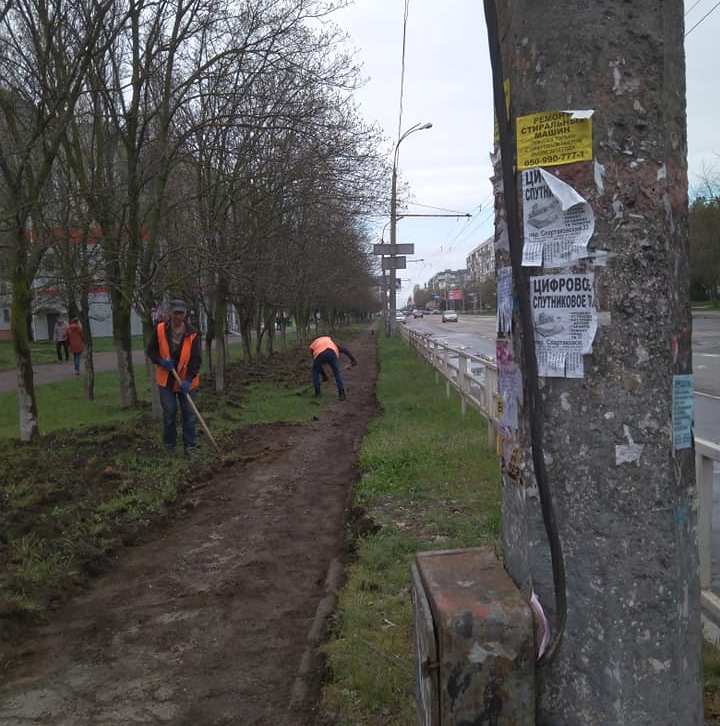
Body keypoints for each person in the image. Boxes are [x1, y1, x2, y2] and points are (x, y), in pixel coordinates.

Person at [146, 299, 202, 454]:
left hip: (186, 381)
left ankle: (190, 447)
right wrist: (161, 362)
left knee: (189, 415)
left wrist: (188, 380)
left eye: (181, 313)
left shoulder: (193, 334)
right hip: (166, 380)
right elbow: (151, 351)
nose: (178, 316)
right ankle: (170, 445)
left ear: (185, 314)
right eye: (175, 313)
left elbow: (196, 360)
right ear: (170, 313)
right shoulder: (160, 329)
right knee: (170, 412)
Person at [309, 335, 357, 400]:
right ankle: (341, 394)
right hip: (332, 353)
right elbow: (345, 350)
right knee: (337, 374)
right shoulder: (330, 342)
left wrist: (324, 375)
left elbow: (317, 364)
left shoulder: (313, 345)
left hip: (319, 355)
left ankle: (318, 393)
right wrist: (353, 360)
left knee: (315, 371)